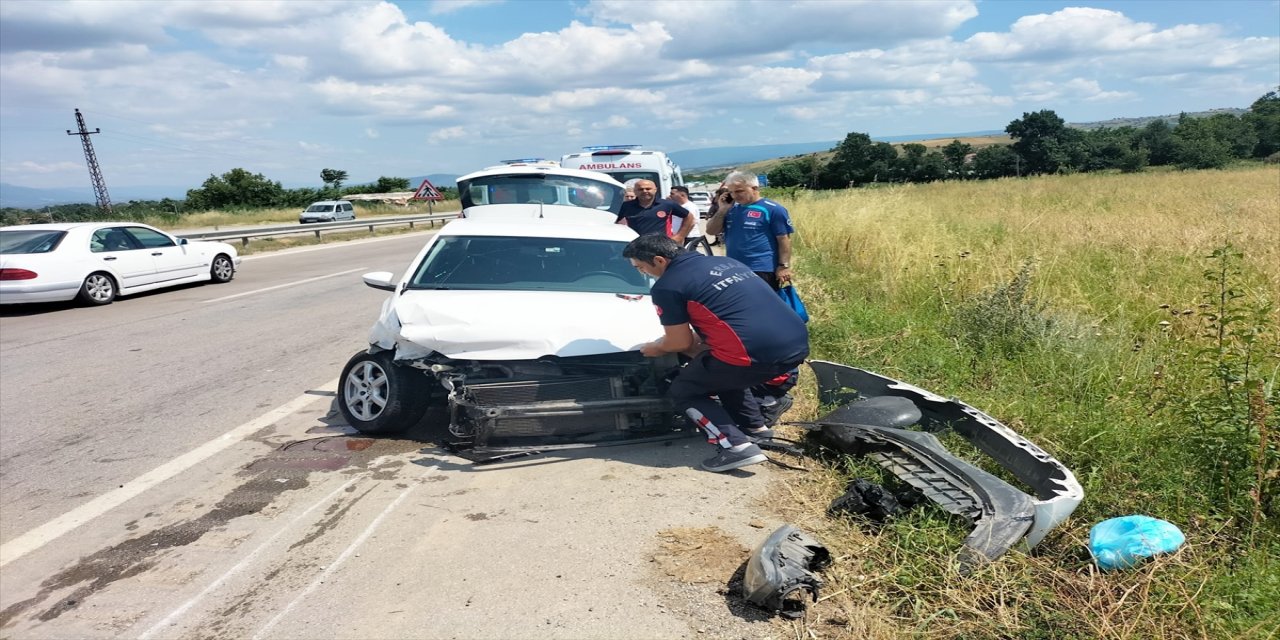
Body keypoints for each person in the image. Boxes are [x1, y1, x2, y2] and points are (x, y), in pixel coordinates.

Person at [624, 234, 809, 473]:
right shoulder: (724, 262)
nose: (643, 273)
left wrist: (656, 348)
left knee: (684, 389)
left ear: (659, 260)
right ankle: (756, 429)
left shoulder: (668, 286)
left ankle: (736, 447)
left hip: (754, 355)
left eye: (640, 267)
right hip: (796, 344)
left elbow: (680, 342)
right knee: (720, 373)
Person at [704, 171, 794, 291]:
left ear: (754, 188)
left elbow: (784, 240)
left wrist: (783, 266)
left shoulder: (773, 209)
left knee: (762, 301)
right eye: (731, 192)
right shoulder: (730, 209)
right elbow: (711, 231)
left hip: (762, 269)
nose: (734, 196)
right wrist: (722, 210)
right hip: (734, 267)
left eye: (739, 191)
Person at [616, 179, 690, 243]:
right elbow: (613, 222)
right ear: (635, 191)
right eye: (640, 189)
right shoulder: (626, 206)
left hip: (662, 245)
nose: (644, 191)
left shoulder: (667, 204)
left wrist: (680, 236)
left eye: (648, 189)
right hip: (636, 245)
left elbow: (689, 217)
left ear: (655, 190)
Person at [669, 185, 711, 255]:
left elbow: (692, 222)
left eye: (672, 194)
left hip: (688, 237)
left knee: (687, 256)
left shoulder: (690, 207)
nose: (670, 196)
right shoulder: (679, 206)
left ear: (682, 195)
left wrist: (681, 236)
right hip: (681, 237)